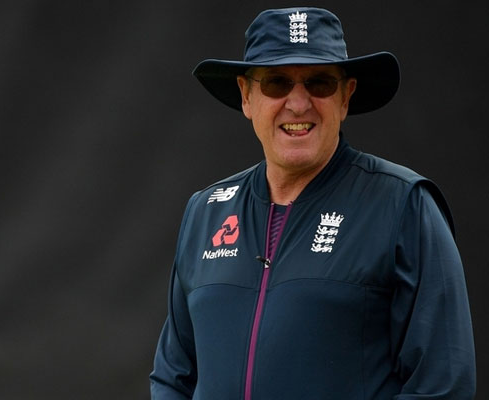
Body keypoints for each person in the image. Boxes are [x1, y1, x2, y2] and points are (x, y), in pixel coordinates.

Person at [149, 7, 476, 400]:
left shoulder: (403, 205)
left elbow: (442, 385)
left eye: (320, 83)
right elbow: (173, 376)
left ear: (345, 97)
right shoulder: (207, 211)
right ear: (246, 96)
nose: (299, 104)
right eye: (276, 82)